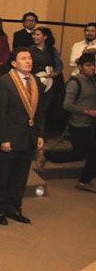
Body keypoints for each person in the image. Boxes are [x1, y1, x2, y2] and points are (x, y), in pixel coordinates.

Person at [0, 47, 44, 225]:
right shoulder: (5, 82)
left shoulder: (36, 81)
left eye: (29, 58)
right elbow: (1, 114)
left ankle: (14, 208)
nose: (28, 61)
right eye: (23, 58)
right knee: (3, 175)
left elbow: (40, 112)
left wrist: (40, 134)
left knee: (21, 176)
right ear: (14, 63)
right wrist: (3, 138)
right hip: (10, 137)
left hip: (28, 136)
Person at [51, 53, 96, 192]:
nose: (92, 68)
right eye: (88, 65)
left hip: (91, 124)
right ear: (80, 66)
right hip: (78, 124)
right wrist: (87, 111)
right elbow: (67, 105)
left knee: (92, 153)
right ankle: (47, 155)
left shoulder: (93, 80)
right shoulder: (75, 82)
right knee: (79, 153)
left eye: (93, 65)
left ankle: (84, 181)